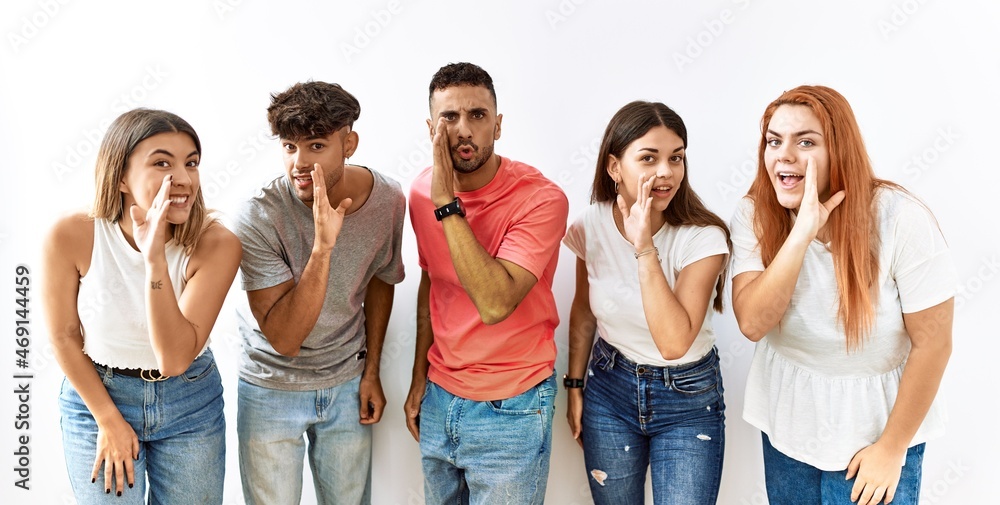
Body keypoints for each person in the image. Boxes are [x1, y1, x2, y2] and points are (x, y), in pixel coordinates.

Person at [730, 85, 955, 505]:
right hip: (789, 422)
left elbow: (934, 343)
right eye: (774, 141)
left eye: (806, 142)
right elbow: (752, 324)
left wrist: (891, 449)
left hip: (877, 430)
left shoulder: (900, 219)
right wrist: (801, 234)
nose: (784, 155)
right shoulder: (754, 214)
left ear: (840, 151)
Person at [43, 108, 241, 503]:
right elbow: (64, 337)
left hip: (189, 401)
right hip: (98, 395)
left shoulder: (217, 244)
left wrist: (154, 261)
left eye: (192, 163)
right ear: (120, 177)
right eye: (162, 163)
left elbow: (174, 359)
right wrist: (108, 419)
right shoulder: (72, 234)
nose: (183, 179)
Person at [403, 62, 569, 504]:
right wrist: (420, 377)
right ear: (430, 127)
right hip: (440, 398)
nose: (463, 130)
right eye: (449, 117)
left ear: (498, 124)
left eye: (477, 115)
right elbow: (432, 285)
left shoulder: (542, 199)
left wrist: (446, 203)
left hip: (512, 405)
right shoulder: (419, 193)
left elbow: (494, 303)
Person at [233, 81, 405, 505]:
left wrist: (371, 372)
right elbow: (285, 338)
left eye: (315, 146)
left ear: (349, 143)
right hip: (271, 386)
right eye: (289, 147)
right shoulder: (259, 215)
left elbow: (382, 278)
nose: (299, 162)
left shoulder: (388, 200)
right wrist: (323, 247)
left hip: (346, 382)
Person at [563, 101, 730, 504]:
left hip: (687, 399)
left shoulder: (704, 238)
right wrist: (574, 385)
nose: (665, 172)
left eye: (676, 158)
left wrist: (644, 247)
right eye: (648, 158)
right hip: (609, 388)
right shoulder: (591, 224)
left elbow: (674, 342)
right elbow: (584, 311)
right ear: (614, 167)